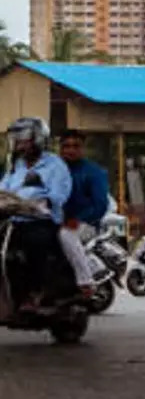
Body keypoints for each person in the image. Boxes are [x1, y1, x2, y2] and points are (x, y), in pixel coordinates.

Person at [0, 118, 74, 311]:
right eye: (16, 139)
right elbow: (4, 189)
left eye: (23, 139)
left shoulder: (55, 165)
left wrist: (39, 204)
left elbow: (59, 195)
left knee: (33, 245)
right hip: (13, 220)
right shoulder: (16, 166)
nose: (18, 144)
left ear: (38, 140)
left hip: (41, 221)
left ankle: (35, 292)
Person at [58, 129, 109, 296]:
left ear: (82, 149)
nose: (70, 150)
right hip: (55, 220)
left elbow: (101, 205)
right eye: (66, 146)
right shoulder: (54, 170)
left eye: (75, 146)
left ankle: (85, 281)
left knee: (67, 235)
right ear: (60, 148)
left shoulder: (94, 172)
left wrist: (78, 220)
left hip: (85, 224)